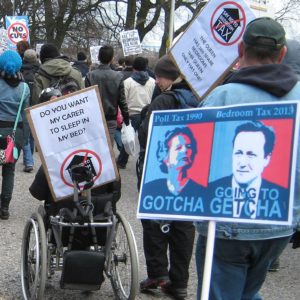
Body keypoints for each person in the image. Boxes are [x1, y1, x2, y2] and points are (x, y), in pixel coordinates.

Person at [195, 17, 300, 300]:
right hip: (279, 225)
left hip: (226, 225)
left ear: (240, 49)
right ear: (281, 54)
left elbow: (199, 162)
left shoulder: (222, 97)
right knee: (246, 292)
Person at [138, 55, 199, 300]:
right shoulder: (197, 99)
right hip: (190, 172)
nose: (157, 81)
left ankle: (158, 273)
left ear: (167, 77)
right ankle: (180, 281)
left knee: (154, 221)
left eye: (159, 77)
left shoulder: (163, 101)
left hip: (160, 170)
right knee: (183, 225)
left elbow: (146, 136)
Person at [209, 121, 288, 221]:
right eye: (238, 153)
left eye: (251, 155)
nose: (242, 163)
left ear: (266, 158)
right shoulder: (210, 190)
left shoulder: (282, 197)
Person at [0, 50, 30, 219]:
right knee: (9, 170)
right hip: (15, 132)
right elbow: (26, 117)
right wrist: (24, 139)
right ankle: (4, 207)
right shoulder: (24, 88)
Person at [85, 45, 130, 145]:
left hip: (94, 118)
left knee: (96, 147)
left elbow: (87, 101)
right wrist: (126, 118)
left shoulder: (90, 75)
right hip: (110, 117)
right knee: (108, 148)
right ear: (112, 58)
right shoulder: (118, 76)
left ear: (98, 57)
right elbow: (122, 100)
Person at [116, 56, 155, 169]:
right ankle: (147, 163)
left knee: (128, 140)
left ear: (133, 68)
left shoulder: (127, 82)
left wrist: (122, 114)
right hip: (147, 114)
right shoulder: (153, 82)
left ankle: (122, 161)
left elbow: (123, 100)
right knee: (146, 141)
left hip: (131, 114)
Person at [20, 49, 40, 173]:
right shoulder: (40, 71)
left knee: (25, 134)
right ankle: (29, 157)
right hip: (36, 105)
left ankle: (28, 161)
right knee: (32, 134)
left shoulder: (20, 70)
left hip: (23, 105)